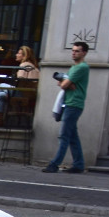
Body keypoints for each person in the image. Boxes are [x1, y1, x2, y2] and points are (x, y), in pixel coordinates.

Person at [43, 41, 90, 174]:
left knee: (64, 135)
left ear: (84, 53)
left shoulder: (82, 67)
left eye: (77, 51)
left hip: (74, 104)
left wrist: (66, 83)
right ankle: (79, 164)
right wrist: (67, 83)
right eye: (73, 50)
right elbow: (63, 83)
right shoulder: (74, 67)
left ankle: (54, 164)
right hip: (69, 103)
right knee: (72, 136)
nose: (74, 53)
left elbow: (63, 85)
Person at [0, 46, 39, 115]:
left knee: (1, 85)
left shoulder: (24, 65)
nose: (16, 55)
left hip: (23, 93)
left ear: (25, 56)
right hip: (31, 94)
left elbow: (19, 79)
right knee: (1, 95)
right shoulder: (33, 66)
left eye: (19, 53)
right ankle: (0, 117)